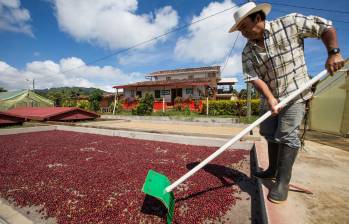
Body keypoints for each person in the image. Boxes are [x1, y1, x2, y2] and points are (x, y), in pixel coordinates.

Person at [228, 2, 344, 203]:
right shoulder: (247, 52)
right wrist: (270, 97)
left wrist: (333, 52)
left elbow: (325, 26)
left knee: (287, 135)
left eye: (244, 27)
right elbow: (253, 77)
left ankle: (282, 182)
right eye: (240, 31)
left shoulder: (289, 23)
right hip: (270, 97)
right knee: (269, 132)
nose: (243, 33)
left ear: (258, 18)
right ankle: (272, 169)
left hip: (295, 93)